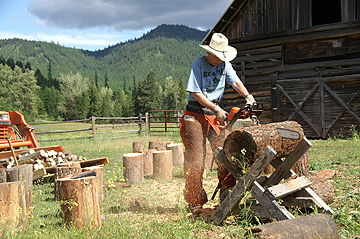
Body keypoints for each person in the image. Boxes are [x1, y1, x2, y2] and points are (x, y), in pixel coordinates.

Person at [180, 33, 256, 211]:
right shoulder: (198, 63)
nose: (220, 60)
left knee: (226, 154)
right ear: (210, 53)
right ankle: (194, 201)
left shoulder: (225, 65)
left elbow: (235, 82)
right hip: (195, 113)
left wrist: (248, 96)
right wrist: (215, 109)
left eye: (223, 56)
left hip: (215, 114)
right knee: (196, 159)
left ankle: (227, 195)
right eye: (218, 56)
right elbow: (196, 93)